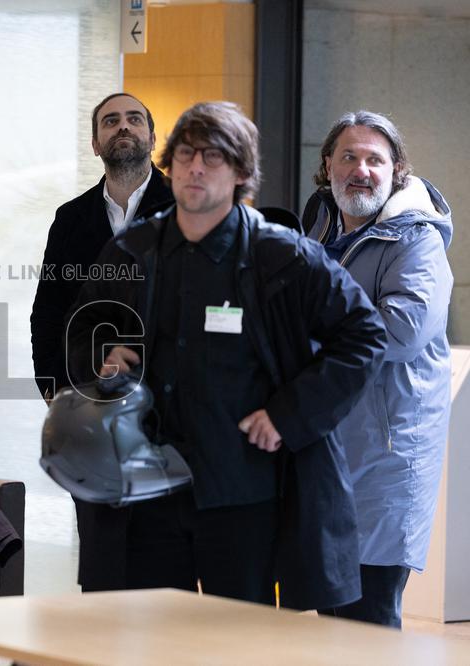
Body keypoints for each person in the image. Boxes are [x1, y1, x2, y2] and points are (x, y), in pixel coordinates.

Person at [65, 101, 387, 610]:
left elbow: (365, 336)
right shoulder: (131, 250)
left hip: (243, 492)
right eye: (187, 154)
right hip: (148, 490)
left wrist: (290, 415)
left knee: (238, 646)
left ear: (240, 173)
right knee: (144, 639)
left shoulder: (283, 255)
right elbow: (82, 329)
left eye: (213, 157)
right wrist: (102, 357)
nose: (195, 167)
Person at [304, 111, 453, 628]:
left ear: (397, 172)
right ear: (327, 165)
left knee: (370, 613)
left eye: (375, 159)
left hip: (387, 453)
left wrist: (310, 331)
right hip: (332, 444)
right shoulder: (320, 228)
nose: (360, 170)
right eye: (349, 156)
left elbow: (402, 331)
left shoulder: (417, 240)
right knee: (332, 612)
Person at [30, 92, 173, 591]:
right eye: (110, 122)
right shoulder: (71, 218)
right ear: (96, 143)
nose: (123, 127)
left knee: (163, 549)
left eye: (135, 119)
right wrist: (53, 389)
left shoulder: (184, 208)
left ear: (152, 137)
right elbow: (47, 309)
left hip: (168, 406)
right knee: (100, 551)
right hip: (90, 405)